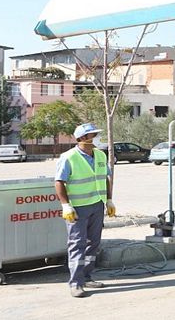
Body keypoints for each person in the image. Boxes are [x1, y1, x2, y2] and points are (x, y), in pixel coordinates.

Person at [55, 123, 116, 298]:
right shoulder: (68, 157)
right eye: (93, 135)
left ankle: (87, 276)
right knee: (77, 244)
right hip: (77, 208)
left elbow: (104, 177)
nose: (96, 138)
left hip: (97, 204)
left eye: (96, 134)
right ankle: (75, 283)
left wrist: (109, 199)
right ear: (81, 138)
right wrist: (66, 205)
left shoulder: (99, 155)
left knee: (93, 244)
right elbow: (59, 182)